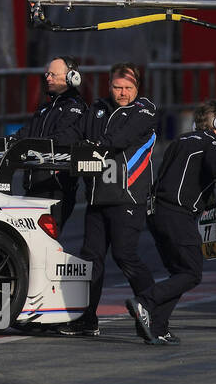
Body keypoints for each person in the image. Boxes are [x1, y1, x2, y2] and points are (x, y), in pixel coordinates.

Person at [129, 101, 216, 345]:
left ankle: (157, 327)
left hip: (156, 214)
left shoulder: (181, 141)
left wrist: (210, 200)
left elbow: (180, 177)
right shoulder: (211, 142)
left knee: (179, 273)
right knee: (192, 274)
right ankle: (144, 301)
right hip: (177, 215)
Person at [61, 62, 157, 337]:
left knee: (124, 255)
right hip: (96, 197)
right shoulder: (98, 108)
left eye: (128, 88)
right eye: (117, 87)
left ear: (137, 88)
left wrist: (95, 145)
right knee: (91, 259)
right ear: (109, 85)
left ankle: (154, 312)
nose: (123, 92)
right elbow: (75, 132)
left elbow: (120, 138)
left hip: (128, 197)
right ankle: (87, 319)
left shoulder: (144, 110)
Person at [11, 56, 88, 231]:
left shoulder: (76, 108)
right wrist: (9, 142)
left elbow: (62, 139)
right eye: (47, 74)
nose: (48, 78)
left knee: (44, 244)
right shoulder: (45, 108)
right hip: (34, 187)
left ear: (72, 77)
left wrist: (30, 145)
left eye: (53, 74)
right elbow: (26, 133)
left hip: (56, 189)